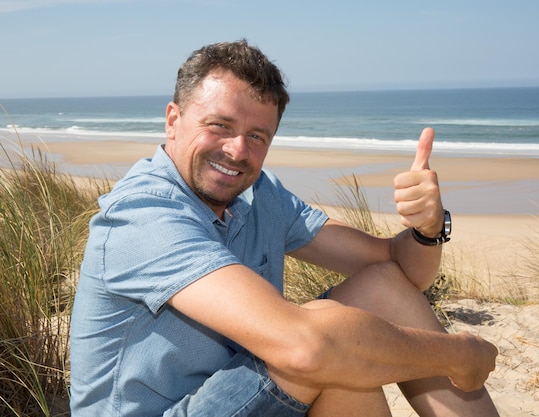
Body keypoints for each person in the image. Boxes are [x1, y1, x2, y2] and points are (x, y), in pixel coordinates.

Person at [70, 39, 500, 417]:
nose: (238, 150)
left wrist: (427, 229)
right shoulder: (144, 213)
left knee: (373, 296)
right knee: (325, 338)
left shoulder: (258, 195)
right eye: (220, 125)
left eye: (258, 136)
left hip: (241, 396)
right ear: (173, 119)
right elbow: (305, 348)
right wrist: (458, 355)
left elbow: (400, 272)